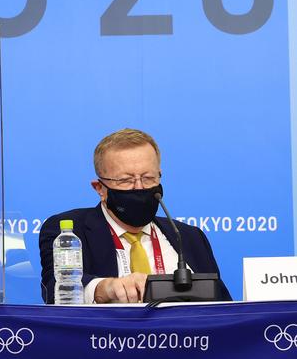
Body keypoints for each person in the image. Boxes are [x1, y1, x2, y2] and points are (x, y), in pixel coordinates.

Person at [39, 128, 231, 304]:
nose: (139, 188)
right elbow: (54, 291)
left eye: (148, 178)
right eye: (126, 180)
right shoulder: (68, 231)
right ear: (100, 188)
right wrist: (105, 288)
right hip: (107, 340)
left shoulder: (189, 237)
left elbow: (224, 307)